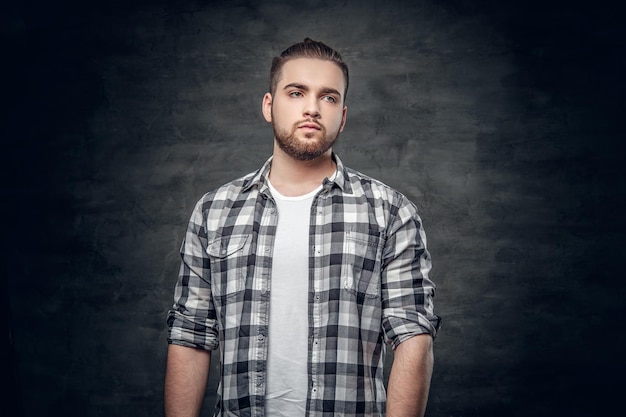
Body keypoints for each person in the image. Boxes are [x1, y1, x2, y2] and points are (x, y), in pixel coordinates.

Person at [164, 38, 441, 417]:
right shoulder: (214, 211)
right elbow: (190, 336)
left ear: (342, 115)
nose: (312, 108)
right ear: (269, 105)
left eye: (328, 97)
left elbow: (413, 337)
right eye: (296, 93)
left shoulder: (390, 212)